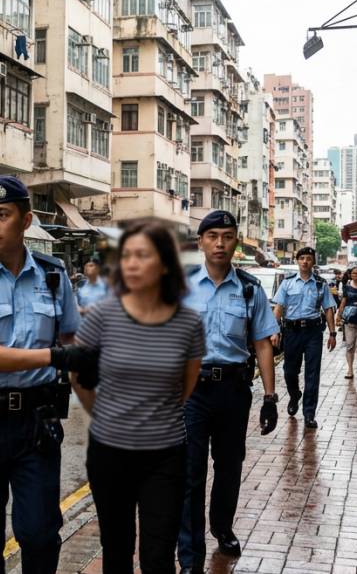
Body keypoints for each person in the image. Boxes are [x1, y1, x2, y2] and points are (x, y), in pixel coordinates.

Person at [0, 176, 96, 574]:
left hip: (36, 422)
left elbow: (73, 343)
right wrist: (53, 356)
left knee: (41, 534)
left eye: (3, 215)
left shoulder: (53, 275)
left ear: (26, 221)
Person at [73, 221, 204, 574]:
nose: (131, 263)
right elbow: (79, 376)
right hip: (109, 452)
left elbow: (186, 386)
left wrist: (154, 413)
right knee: (116, 550)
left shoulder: (189, 323)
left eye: (142, 255)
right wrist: (105, 415)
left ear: (165, 264)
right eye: (126, 255)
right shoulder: (101, 316)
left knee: (158, 555)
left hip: (165, 455)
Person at [179, 210, 279, 572]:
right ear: (201, 242)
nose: (220, 243)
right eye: (213, 236)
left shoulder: (250, 289)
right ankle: (190, 552)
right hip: (192, 391)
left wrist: (270, 398)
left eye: (227, 236)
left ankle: (222, 528)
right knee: (190, 471)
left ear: (236, 241)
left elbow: (263, 344)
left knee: (229, 467)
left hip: (234, 391)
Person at [271, 247, 337, 429]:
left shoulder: (321, 284)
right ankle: (294, 395)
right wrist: (275, 331)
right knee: (289, 371)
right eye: (302, 258)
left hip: (313, 333)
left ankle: (309, 413)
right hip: (292, 332)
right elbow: (279, 308)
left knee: (312, 373)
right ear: (297, 261)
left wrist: (332, 333)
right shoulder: (287, 283)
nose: (305, 261)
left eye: (308, 258)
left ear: (313, 261)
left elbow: (328, 309)